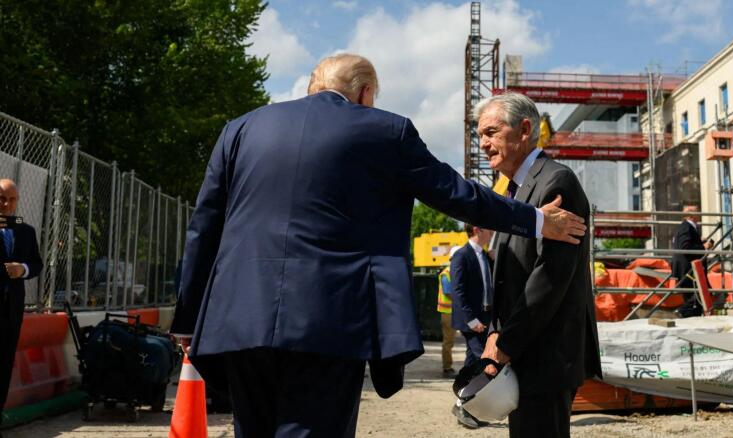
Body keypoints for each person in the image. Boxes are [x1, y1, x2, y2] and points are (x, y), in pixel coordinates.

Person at [170, 54, 587, 437]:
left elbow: (204, 225)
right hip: (328, 321)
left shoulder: (240, 129)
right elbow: (456, 194)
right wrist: (536, 219)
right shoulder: (384, 130)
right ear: (365, 92)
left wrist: (189, 318)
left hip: (240, 319)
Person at [476, 93, 602, 438]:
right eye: (480, 136)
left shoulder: (556, 183)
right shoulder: (514, 192)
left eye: (491, 132)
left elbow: (549, 278)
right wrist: (495, 334)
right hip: (527, 354)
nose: (484, 144)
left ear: (524, 129)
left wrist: (505, 343)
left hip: (546, 357)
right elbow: (511, 276)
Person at [0, 179, 43, 416]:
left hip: (11, 312)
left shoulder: (26, 231)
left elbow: (37, 264)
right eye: (2, 198)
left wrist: (22, 269)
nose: (6, 204)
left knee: (4, 367)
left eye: (11, 199)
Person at [450, 224, 494, 429]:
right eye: (489, 229)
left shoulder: (485, 256)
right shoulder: (461, 255)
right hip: (472, 321)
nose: (492, 232)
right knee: (483, 362)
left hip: (485, 318)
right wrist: (472, 320)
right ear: (477, 230)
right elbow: (458, 291)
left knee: (472, 362)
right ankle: (462, 403)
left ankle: (463, 400)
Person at [671, 205, 712, 318]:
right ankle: (681, 312)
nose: (699, 214)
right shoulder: (686, 227)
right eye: (697, 212)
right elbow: (685, 247)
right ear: (691, 215)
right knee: (697, 296)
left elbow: (686, 244)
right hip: (688, 270)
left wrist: (699, 242)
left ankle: (687, 315)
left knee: (695, 298)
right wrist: (704, 247)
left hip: (688, 269)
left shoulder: (688, 227)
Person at [437, 249, 459, 379]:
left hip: (452, 311)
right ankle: (447, 368)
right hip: (448, 312)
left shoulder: (452, 272)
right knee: (448, 342)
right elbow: (448, 292)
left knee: (450, 341)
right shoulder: (446, 273)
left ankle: (448, 367)